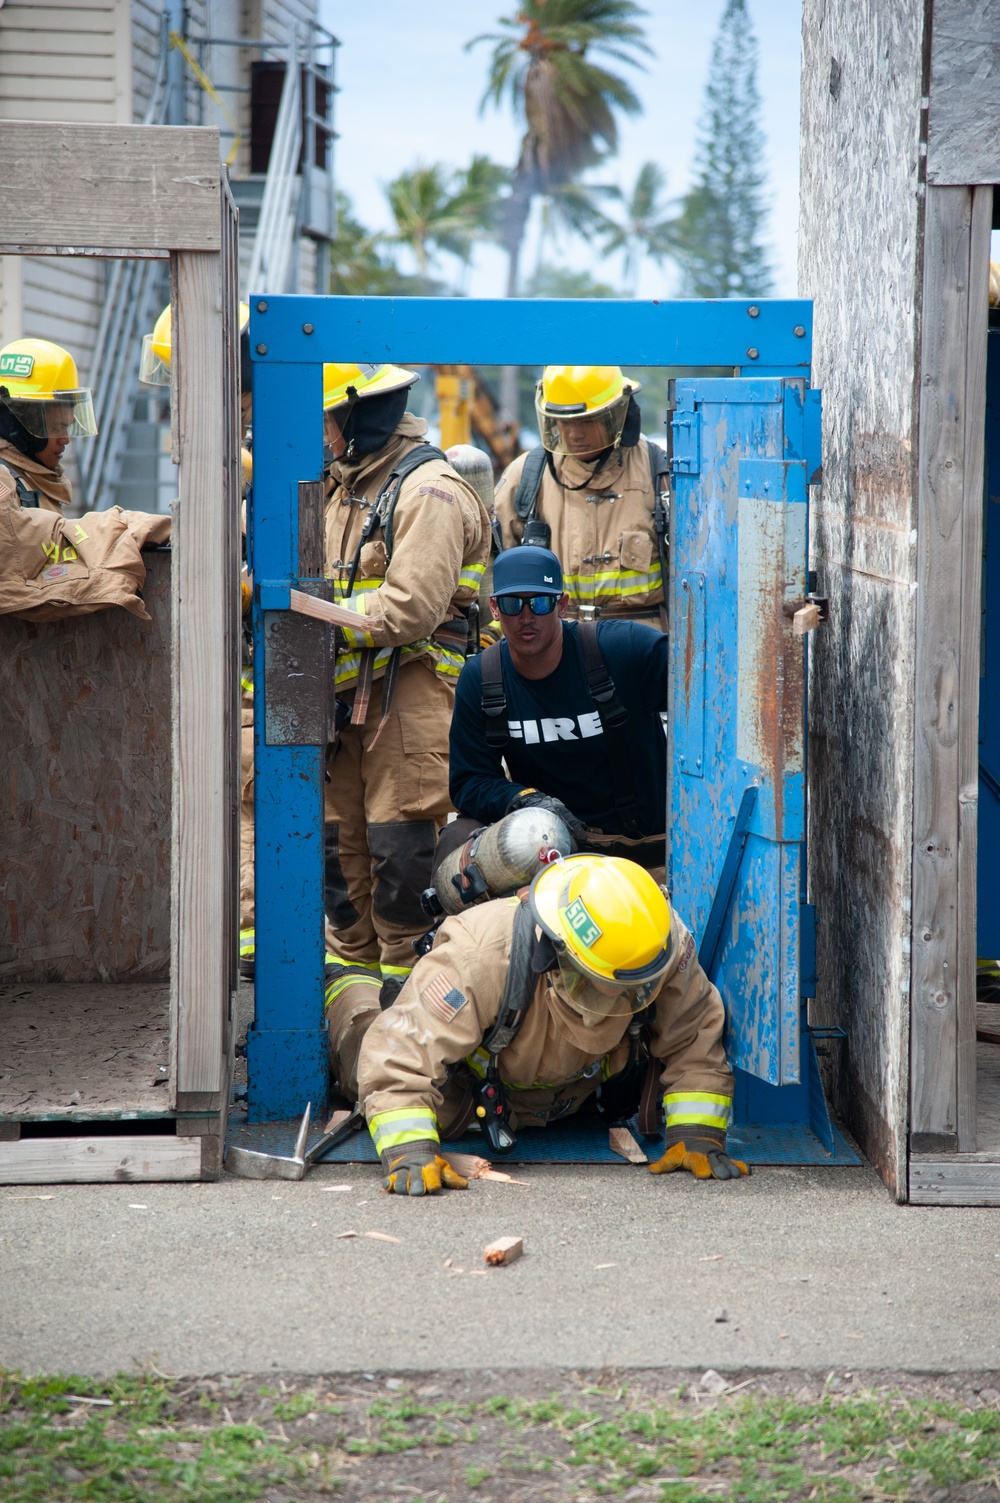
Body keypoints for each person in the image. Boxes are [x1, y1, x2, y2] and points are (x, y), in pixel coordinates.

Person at [348, 853, 748, 1194]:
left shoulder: (657, 943)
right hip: (466, 1102)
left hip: (578, 1099)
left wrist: (698, 1130)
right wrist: (409, 1147)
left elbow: (693, 1032)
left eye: (628, 989)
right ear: (555, 952)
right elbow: (399, 1056)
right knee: (364, 1039)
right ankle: (346, 990)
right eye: (596, 985)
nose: (611, 1002)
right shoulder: (482, 956)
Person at [321, 360, 491, 1024]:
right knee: (339, 870)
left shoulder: (430, 491)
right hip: (345, 710)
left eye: (330, 419)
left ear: (362, 416)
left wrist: (309, 613)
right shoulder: (339, 490)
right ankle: (354, 1027)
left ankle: (413, 1027)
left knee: (402, 871)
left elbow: (408, 608)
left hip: (411, 704)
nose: (323, 433)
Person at [447, 545, 667, 875]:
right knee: (456, 838)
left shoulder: (625, 649)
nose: (525, 617)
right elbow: (469, 782)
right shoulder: (481, 678)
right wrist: (524, 799)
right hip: (551, 856)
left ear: (561, 604)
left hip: (647, 854)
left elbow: (708, 691)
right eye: (511, 604)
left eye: (539, 602)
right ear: (494, 608)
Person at [493, 365, 669, 629]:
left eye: (587, 421)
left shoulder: (660, 474)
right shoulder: (525, 477)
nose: (574, 434)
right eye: (564, 422)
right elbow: (495, 573)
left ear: (619, 414)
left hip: (641, 650)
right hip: (555, 648)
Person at [0, 338, 97, 511]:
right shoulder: (5, 488)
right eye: (55, 427)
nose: (65, 439)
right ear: (17, 427)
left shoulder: (33, 479)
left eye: (67, 426)